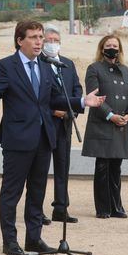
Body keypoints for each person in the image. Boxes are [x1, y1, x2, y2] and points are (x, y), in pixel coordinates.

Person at [0, 20, 104, 255]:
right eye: (34, 37)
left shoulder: (47, 66)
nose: (40, 42)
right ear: (20, 40)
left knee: (37, 191)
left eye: (41, 37)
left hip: (44, 138)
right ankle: (10, 242)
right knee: (11, 192)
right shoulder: (6, 66)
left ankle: (34, 239)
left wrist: (81, 102)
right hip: (18, 139)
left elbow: (55, 99)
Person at [82, 35, 128, 219]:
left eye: (115, 45)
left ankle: (117, 206)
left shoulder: (126, 71)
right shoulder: (94, 69)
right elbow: (94, 97)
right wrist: (110, 115)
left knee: (116, 167)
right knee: (103, 167)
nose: (112, 48)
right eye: (108, 45)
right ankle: (103, 208)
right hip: (103, 124)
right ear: (102, 48)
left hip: (122, 124)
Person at [41, 24, 82, 224]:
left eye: (56, 41)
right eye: (48, 40)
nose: (52, 44)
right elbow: (36, 97)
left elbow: (77, 89)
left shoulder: (67, 64)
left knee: (62, 165)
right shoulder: (38, 63)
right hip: (45, 123)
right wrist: (52, 112)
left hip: (65, 123)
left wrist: (73, 110)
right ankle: (37, 210)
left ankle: (61, 207)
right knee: (40, 168)